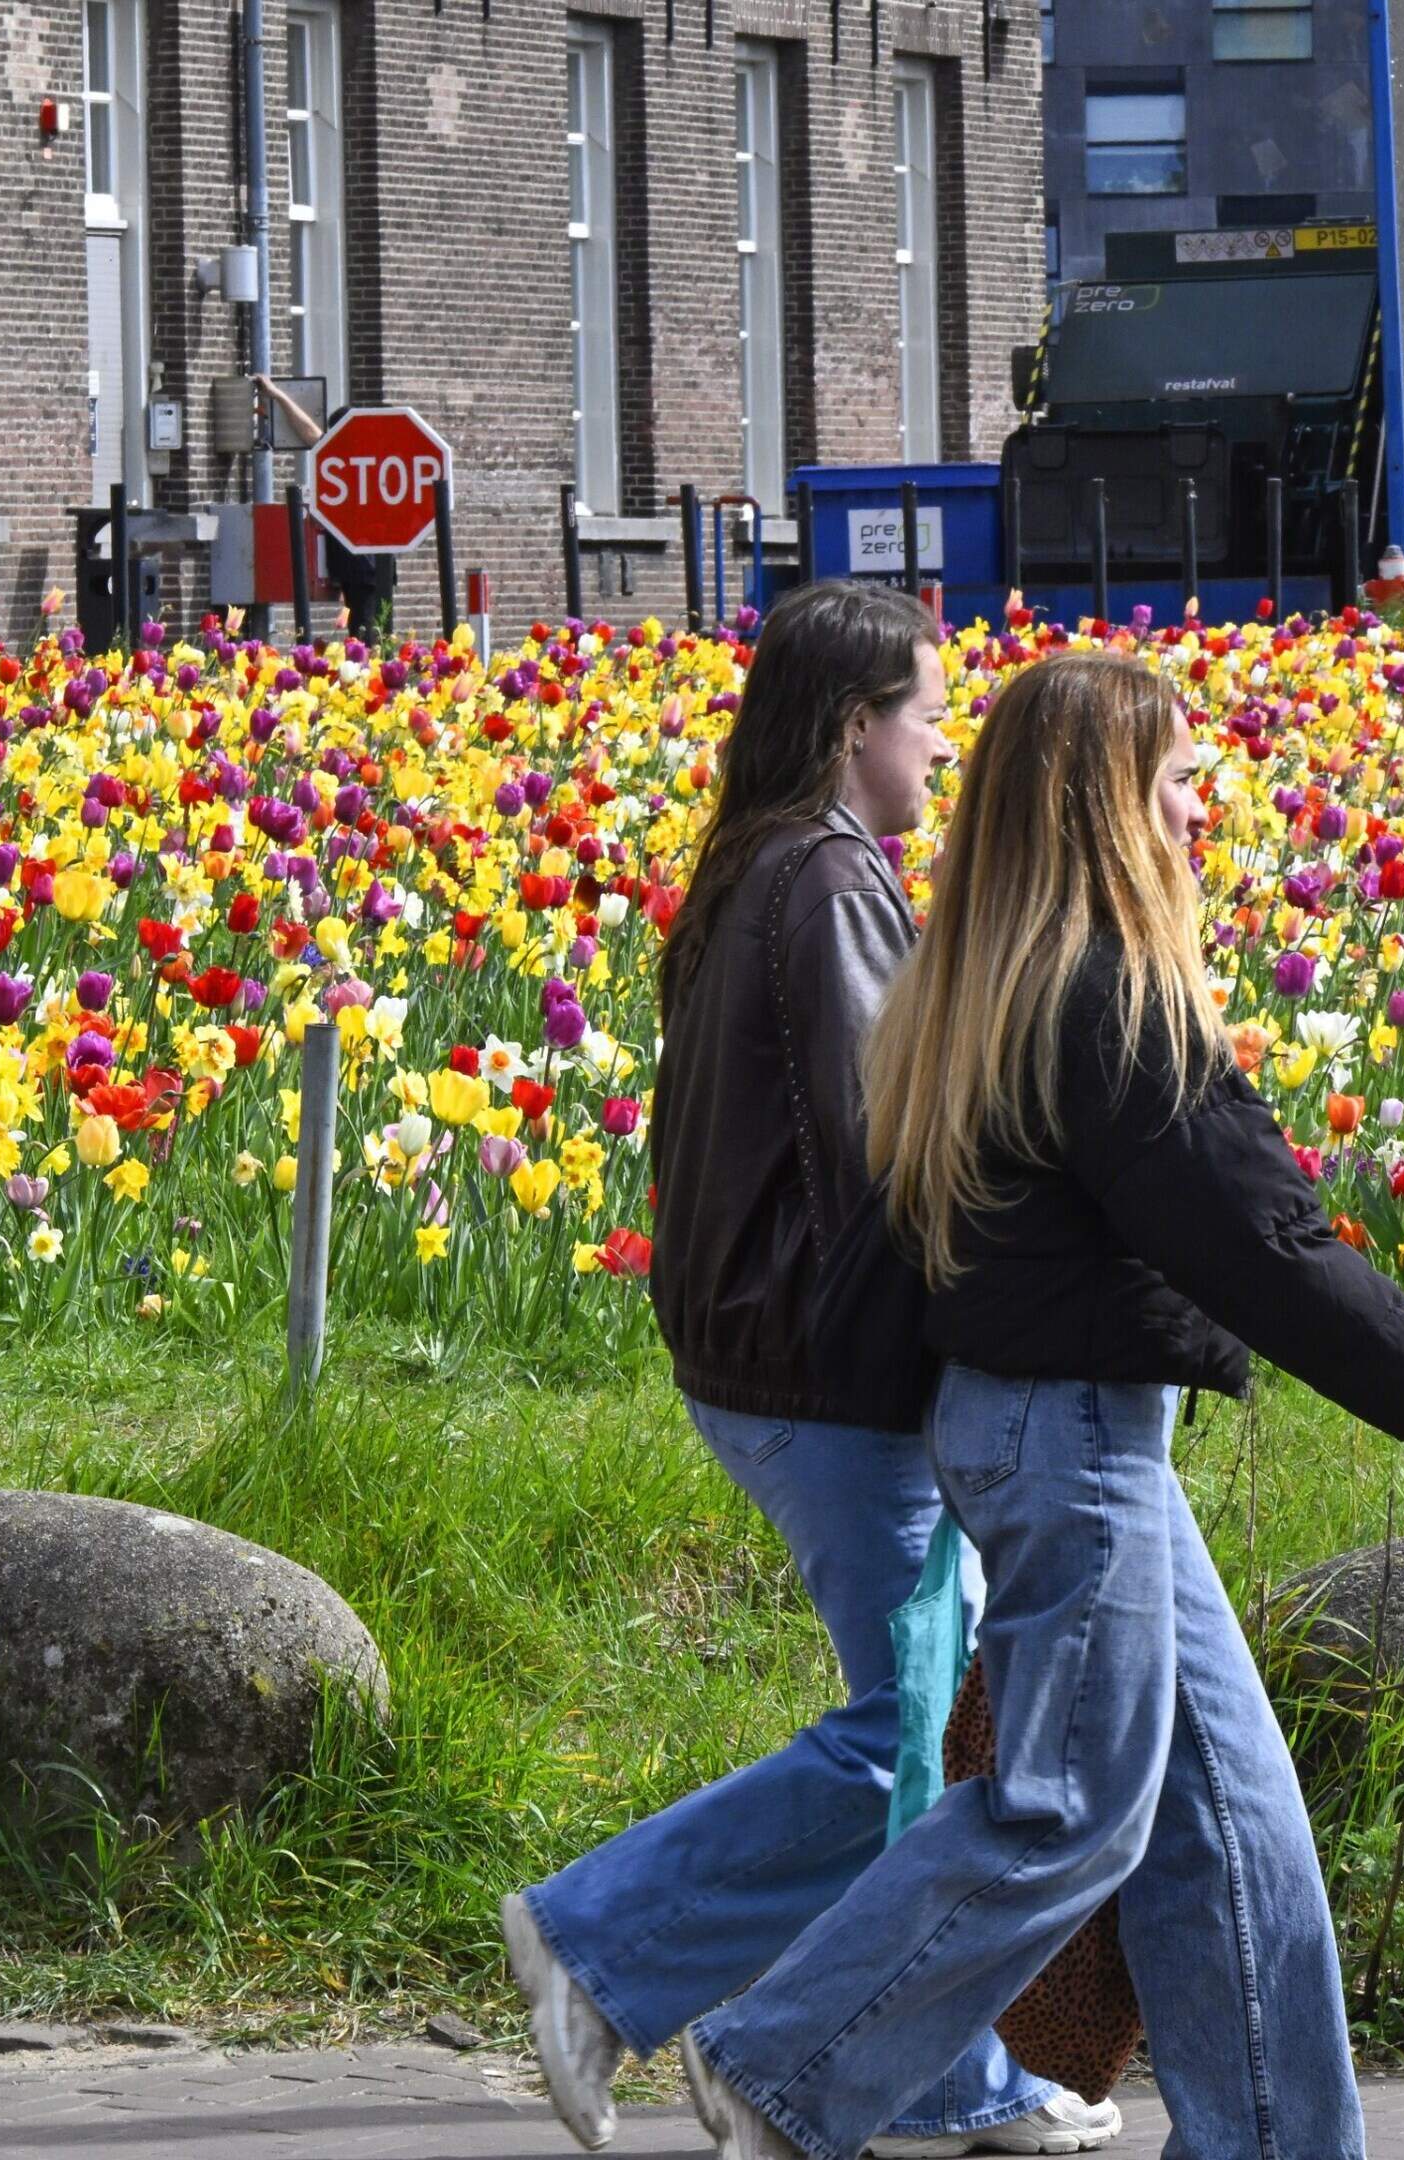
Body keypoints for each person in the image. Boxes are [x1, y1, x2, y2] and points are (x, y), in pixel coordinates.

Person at [673, 650, 1404, 2160]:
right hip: (1078, 1446)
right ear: (1111, 806)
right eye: (1180, 783)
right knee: (1070, 1812)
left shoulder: (973, 984)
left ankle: (1271, 2140)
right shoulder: (1106, 999)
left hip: (1037, 1429)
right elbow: (1248, 1224)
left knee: (1233, 1817)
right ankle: (782, 2059)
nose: (1202, 811)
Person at [501, 581, 1120, 2160]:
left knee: (931, 1732)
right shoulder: (832, 882)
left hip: (757, 1360)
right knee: (916, 1743)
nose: (944, 747)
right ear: (857, 726)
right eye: (928, 714)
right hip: (828, 1379)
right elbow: (888, 1149)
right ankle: (600, 1945)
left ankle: (940, 2070)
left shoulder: (757, 865)